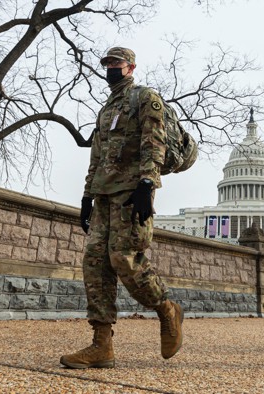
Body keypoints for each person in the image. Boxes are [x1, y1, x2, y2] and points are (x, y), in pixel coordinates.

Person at [60, 47, 184, 369]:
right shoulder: (105, 110)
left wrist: (147, 184)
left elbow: (153, 141)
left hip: (131, 193)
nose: (112, 68)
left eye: (117, 63)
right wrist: (87, 196)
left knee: (125, 260)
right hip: (103, 196)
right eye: (108, 63)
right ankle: (102, 346)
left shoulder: (144, 98)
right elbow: (97, 157)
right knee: (95, 265)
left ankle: (167, 309)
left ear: (131, 67)